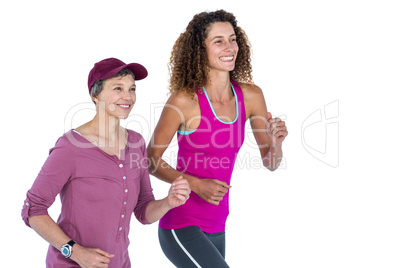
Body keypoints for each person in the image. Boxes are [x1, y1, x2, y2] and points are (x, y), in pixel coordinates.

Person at [147, 10, 288, 267]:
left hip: (218, 224)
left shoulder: (251, 96)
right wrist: (197, 185)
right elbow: (150, 159)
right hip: (181, 223)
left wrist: (276, 145)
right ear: (200, 50)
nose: (229, 47)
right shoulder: (184, 100)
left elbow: (270, 162)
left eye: (233, 39)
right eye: (218, 41)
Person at [21, 57, 190, 268]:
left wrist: (168, 202)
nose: (127, 96)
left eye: (132, 89)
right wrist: (75, 252)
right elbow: (33, 209)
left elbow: (143, 210)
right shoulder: (70, 146)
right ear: (94, 94)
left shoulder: (136, 143)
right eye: (117, 88)